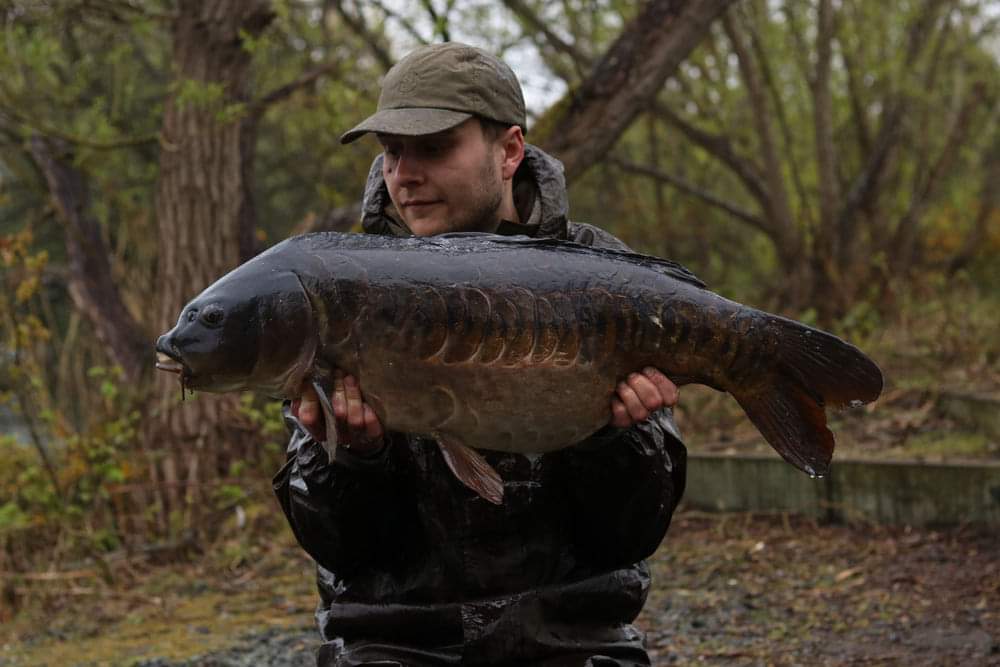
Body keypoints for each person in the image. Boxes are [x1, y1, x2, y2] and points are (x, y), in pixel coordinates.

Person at [273, 42, 687, 667]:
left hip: (573, 639)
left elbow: (627, 536)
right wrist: (357, 459)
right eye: (391, 152)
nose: (404, 174)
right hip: (394, 643)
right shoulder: (340, 292)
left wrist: (615, 441)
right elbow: (340, 547)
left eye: (434, 148)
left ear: (510, 151)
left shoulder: (605, 279)